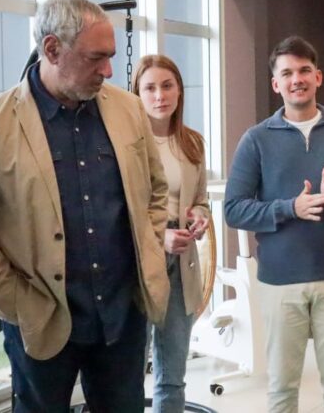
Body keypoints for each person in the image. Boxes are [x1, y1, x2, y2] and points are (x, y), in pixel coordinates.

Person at [0, 0, 169, 412]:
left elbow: (155, 192)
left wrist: (148, 247)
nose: (107, 71)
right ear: (52, 50)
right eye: (95, 58)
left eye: (110, 59)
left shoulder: (129, 110)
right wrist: (16, 302)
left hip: (122, 318)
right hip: (40, 323)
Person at [224, 36, 324, 413]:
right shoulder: (256, 139)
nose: (297, 79)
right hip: (280, 283)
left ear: (318, 77)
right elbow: (234, 209)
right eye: (287, 73)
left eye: (304, 71)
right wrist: (289, 208)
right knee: (281, 388)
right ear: (276, 84)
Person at [132, 55, 210, 413]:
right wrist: (158, 236)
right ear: (137, 93)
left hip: (182, 265)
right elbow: (121, 210)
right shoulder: (126, 146)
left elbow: (200, 200)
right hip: (137, 265)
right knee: (128, 372)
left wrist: (200, 215)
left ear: (179, 91)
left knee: (172, 374)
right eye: (150, 88)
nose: (159, 95)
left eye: (167, 86)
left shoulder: (192, 142)